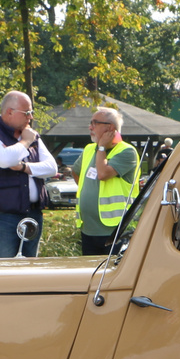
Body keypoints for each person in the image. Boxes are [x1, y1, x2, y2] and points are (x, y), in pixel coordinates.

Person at [0, 90, 57, 257]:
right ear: (9, 112)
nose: (31, 117)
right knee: (4, 269)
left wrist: (24, 167)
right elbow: (6, 160)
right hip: (4, 216)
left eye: (31, 113)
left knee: (30, 268)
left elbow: (52, 168)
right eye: (27, 113)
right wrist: (25, 142)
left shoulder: (31, 134)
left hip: (33, 213)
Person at [77, 106, 141, 256]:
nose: (90, 127)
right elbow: (76, 172)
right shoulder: (88, 149)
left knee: (113, 277)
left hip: (115, 231)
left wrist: (101, 148)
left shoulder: (127, 151)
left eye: (94, 123)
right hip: (88, 230)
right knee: (91, 276)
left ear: (110, 128)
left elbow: (102, 173)